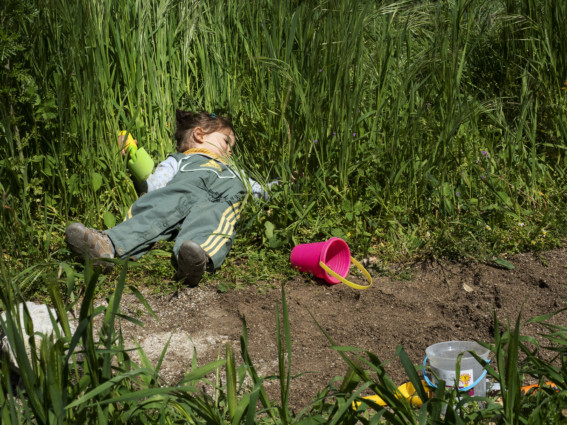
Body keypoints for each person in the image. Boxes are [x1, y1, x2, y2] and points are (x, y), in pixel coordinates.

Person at [66, 110, 267, 286]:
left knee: (215, 216)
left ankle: (196, 259)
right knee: (157, 206)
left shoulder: (236, 171)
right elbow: (155, 187)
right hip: (179, 193)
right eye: (226, 142)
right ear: (199, 135)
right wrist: (131, 161)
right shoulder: (178, 160)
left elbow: (259, 191)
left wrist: (280, 188)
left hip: (219, 199)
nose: (230, 151)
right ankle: (107, 244)